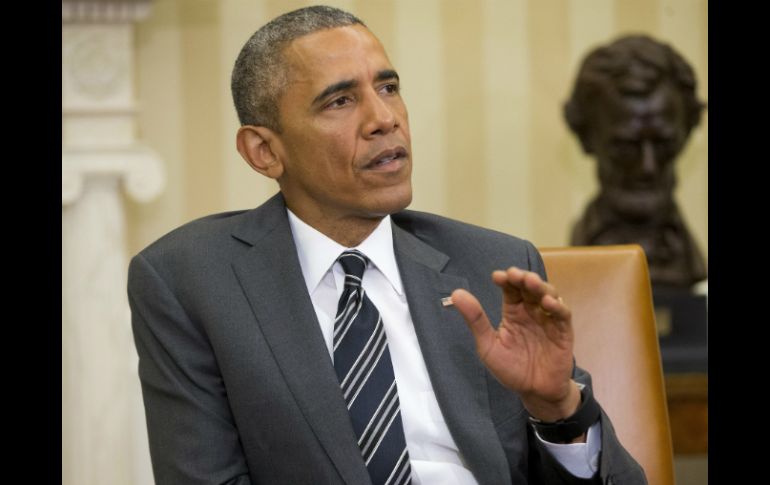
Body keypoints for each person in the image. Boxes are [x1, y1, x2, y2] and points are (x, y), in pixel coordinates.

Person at [128, 6, 645, 484]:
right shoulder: (193, 282)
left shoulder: (494, 268)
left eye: (389, 87)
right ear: (264, 151)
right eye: (340, 100)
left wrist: (557, 409)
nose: (384, 118)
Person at [564, 35, 707, 288]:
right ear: (587, 137)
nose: (647, 166)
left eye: (663, 144)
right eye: (626, 147)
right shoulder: (583, 247)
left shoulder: (686, 256)